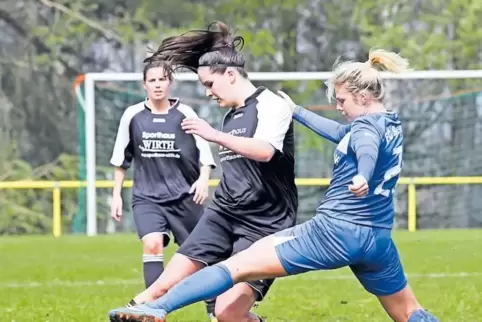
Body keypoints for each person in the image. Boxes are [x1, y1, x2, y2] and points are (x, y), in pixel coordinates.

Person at [108, 49, 440, 322]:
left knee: (234, 266)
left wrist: (362, 176)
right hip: (377, 239)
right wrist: (297, 111)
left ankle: (158, 308)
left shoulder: (365, 130)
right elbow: (342, 134)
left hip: (335, 232)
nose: (339, 107)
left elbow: (365, 149)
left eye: (342, 101)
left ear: (363, 96)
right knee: (410, 312)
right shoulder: (388, 124)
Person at [109, 21, 298, 322]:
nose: (208, 93)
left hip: (264, 223)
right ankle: (135, 311)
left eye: (210, 85)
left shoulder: (272, 105)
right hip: (223, 213)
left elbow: (264, 151)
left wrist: (214, 136)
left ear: (231, 75)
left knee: (226, 313)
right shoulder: (229, 115)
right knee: (161, 287)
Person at [109, 59, 217, 319]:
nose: (158, 85)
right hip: (147, 197)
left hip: (184, 197)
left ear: (170, 83)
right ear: (144, 84)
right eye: (152, 80)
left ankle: (216, 312)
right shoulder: (132, 116)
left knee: (203, 258)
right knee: (153, 244)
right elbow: (121, 160)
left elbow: (205, 153)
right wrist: (116, 196)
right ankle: (153, 311)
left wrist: (203, 179)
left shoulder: (186, 114)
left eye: (162, 79)